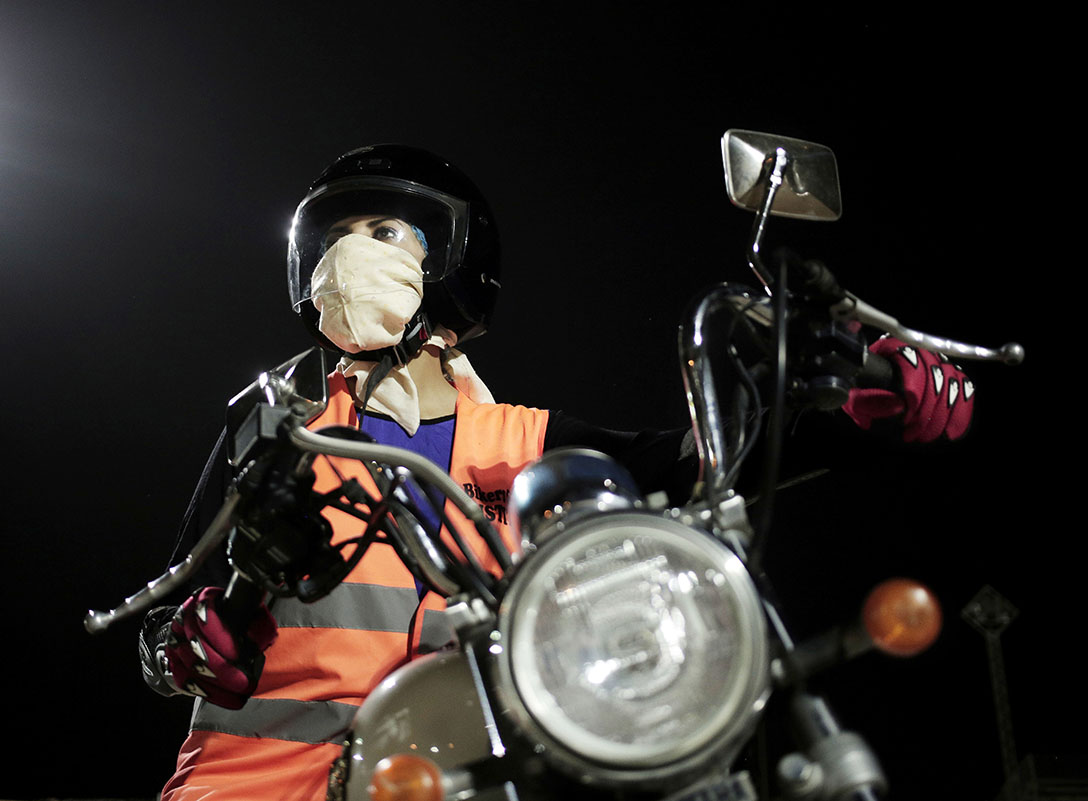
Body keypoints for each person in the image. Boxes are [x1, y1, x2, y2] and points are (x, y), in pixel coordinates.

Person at [138, 145, 975, 801]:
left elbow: (707, 466)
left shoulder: (530, 440)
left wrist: (855, 409)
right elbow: (167, 608)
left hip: (460, 779)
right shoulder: (269, 429)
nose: (349, 255)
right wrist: (178, 643)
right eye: (335, 239)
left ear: (451, 260)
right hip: (249, 784)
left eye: (384, 232)